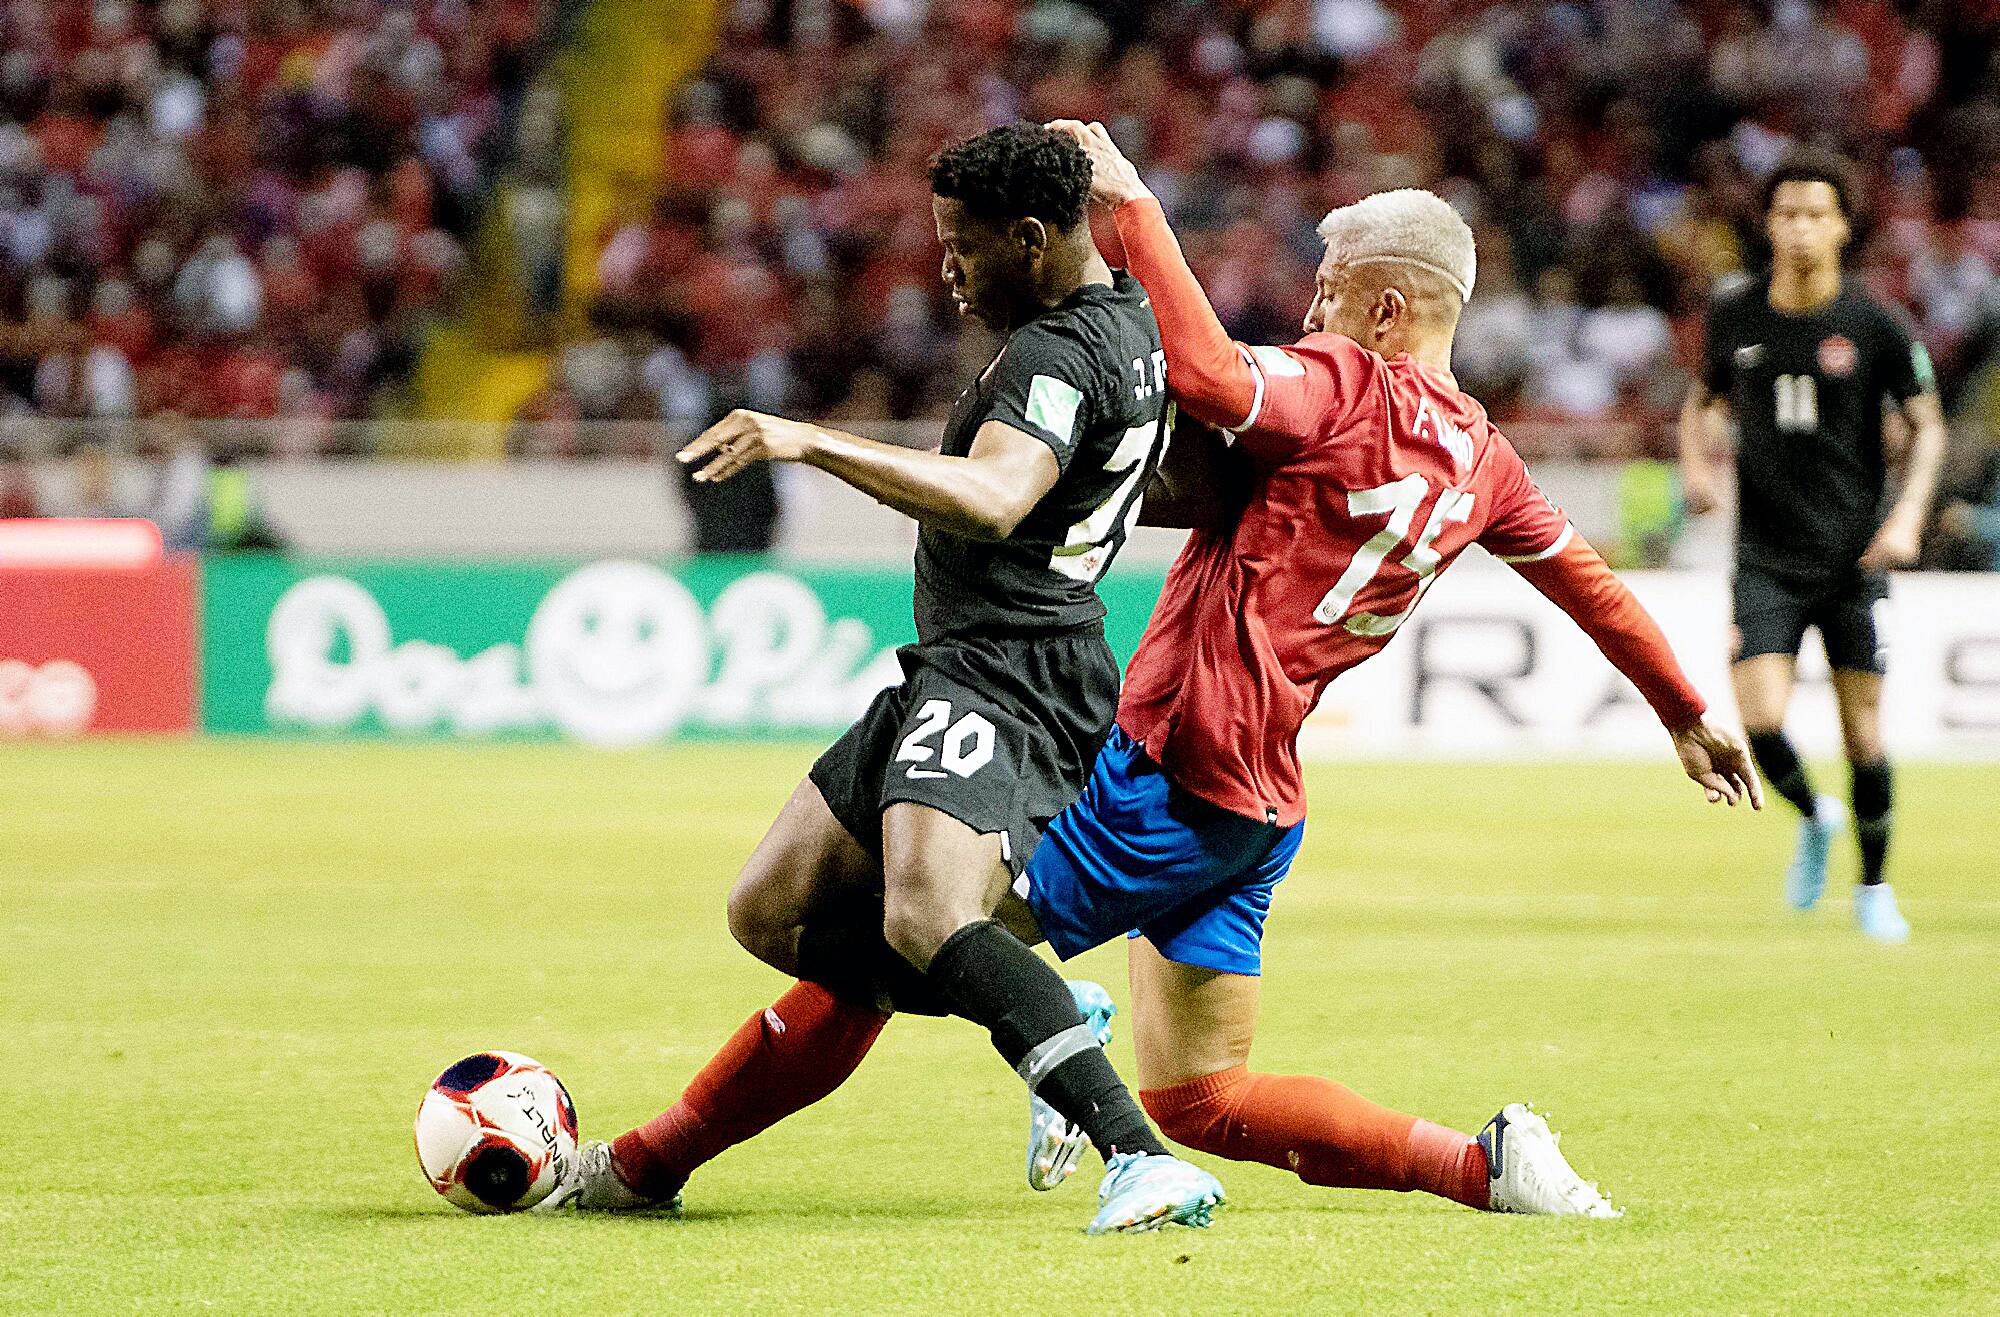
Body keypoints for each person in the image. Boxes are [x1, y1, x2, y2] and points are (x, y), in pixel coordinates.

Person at [990, 120, 1761, 1217]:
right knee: (1204, 1098)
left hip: (1172, 766)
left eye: (1327, 292)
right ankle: (1485, 1165)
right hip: (1260, 801)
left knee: (935, 937)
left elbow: (1208, 373)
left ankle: (668, 1152)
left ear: (1385, 310)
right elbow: (1593, 590)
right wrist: (1683, 713)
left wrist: (1132, 212)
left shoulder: (1342, 386)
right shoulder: (1485, 462)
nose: (1308, 316)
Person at [546, 124, 1224, 1234]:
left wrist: (809, 442)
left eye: (962, 245)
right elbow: (1160, 479)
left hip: (1013, 670)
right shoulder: (1129, 328)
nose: (945, 267)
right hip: (956, 663)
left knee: (920, 912)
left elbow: (1000, 495)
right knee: (769, 912)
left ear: (1031, 236)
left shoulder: (1058, 356)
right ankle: (1037, 1007)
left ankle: (1138, 1158)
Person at [1679, 147, 1947, 942]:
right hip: (1765, 555)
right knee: (1758, 720)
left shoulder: (1876, 323)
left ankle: (1873, 889)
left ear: (1842, 226)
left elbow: (1929, 425)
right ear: (1768, 224)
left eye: (1815, 214)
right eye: (1786, 212)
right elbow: (1702, 404)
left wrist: (1907, 519)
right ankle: (1814, 814)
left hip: (1855, 558)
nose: (1799, 227)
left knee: (1864, 731)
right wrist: (1697, 463)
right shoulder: (1737, 314)